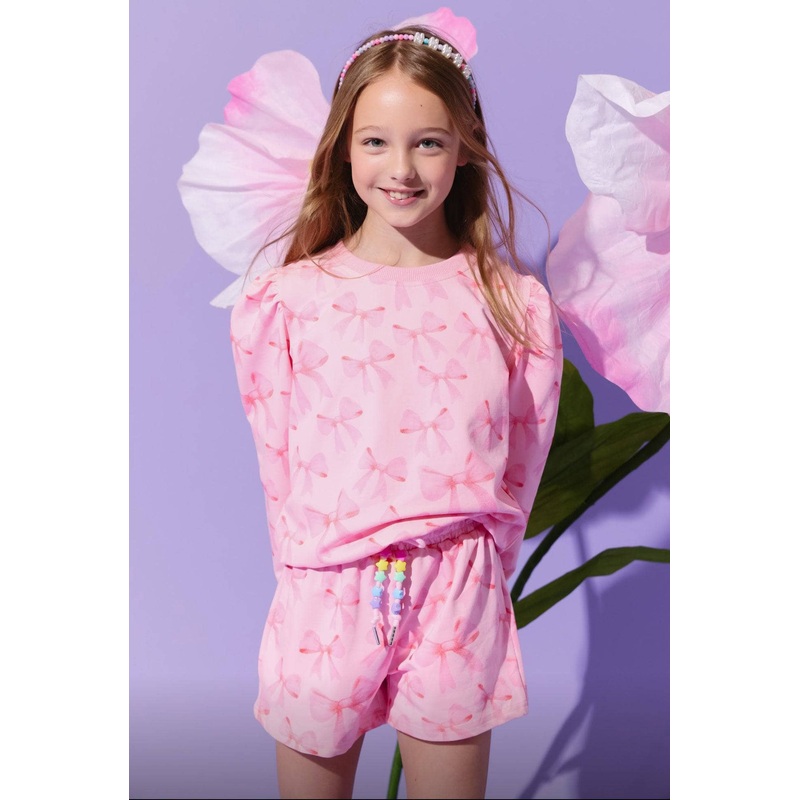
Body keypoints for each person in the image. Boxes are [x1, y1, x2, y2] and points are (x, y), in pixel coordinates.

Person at [229, 24, 563, 800]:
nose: (402, 169)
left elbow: (524, 460)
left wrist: (478, 573)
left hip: (458, 591)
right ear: (343, 149)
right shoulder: (288, 302)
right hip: (323, 593)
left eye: (429, 143)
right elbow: (278, 465)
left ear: (465, 147)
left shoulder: (512, 305)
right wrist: (309, 578)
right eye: (376, 141)